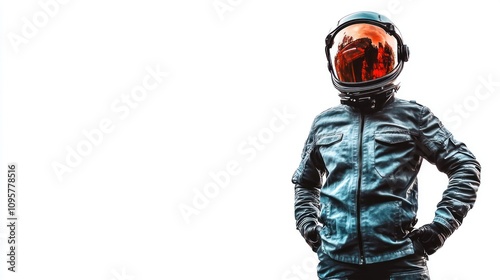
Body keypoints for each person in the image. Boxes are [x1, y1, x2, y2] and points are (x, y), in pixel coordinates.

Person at [291, 11, 481, 280]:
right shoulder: (324, 123)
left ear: (397, 57)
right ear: (335, 64)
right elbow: (306, 182)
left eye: (374, 62)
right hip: (336, 262)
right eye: (353, 63)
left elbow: (465, 165)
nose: (363, 71)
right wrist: (308, 225)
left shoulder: (414, 117)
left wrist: (440, 228)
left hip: (401, 262)